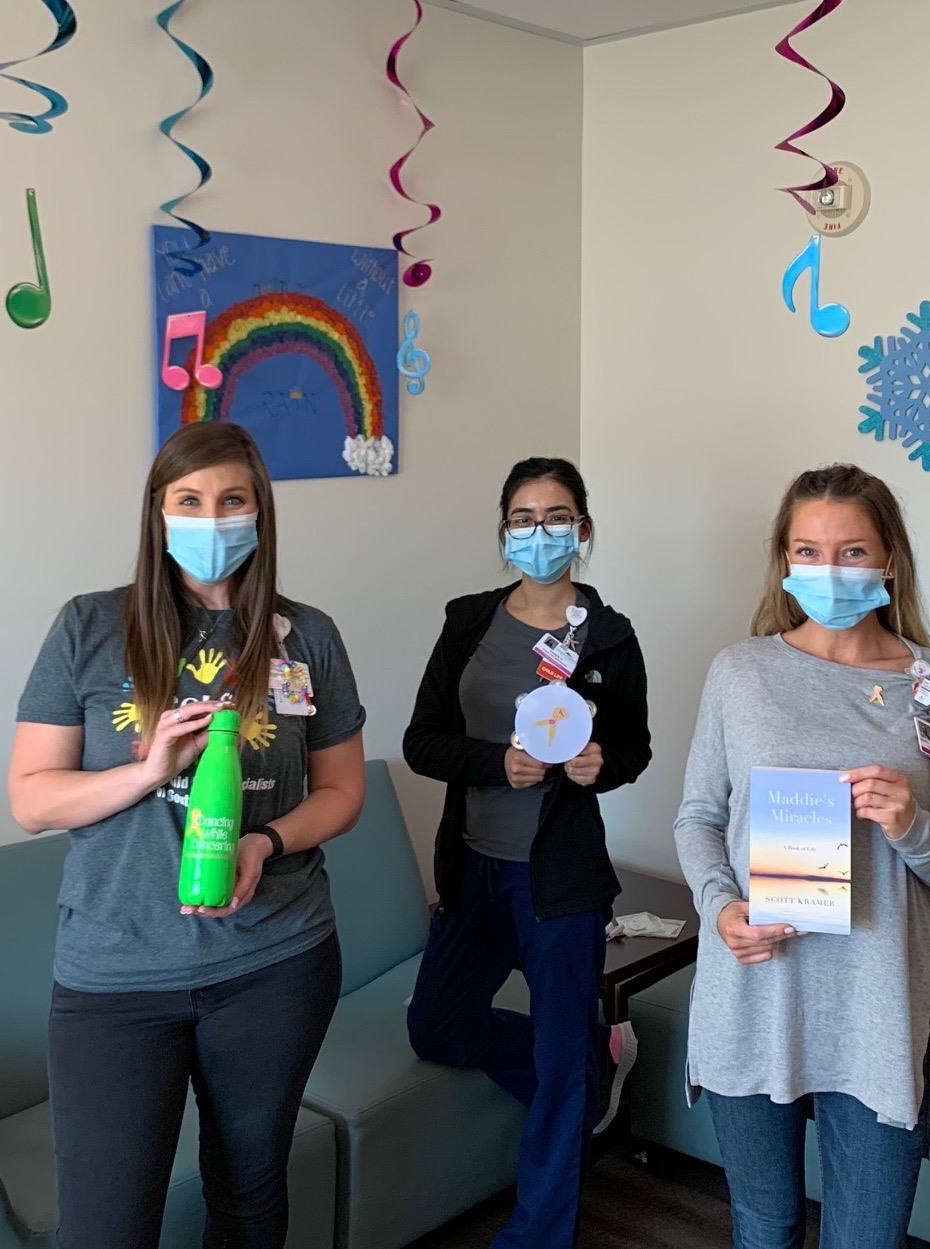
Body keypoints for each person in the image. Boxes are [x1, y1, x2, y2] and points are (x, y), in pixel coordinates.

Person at [9, 422, 366, 1249]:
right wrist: (144, 769)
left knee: (248, 1197)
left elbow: (343, 791)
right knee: (106, 1226)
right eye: (191, 501)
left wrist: (263, 843)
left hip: (276, 960)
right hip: (116, 975)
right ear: (158, 513)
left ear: (260, 512)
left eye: (232, 499)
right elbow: (31, 798)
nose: (213, 519)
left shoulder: (304, 636)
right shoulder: (89, 628)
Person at [674, 463, 930, 1249]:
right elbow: (698, 818)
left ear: (889, 562)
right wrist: (721, 908)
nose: (828, 568)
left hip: (876, 1013)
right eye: (807, 550)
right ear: (784, 559)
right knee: (762, 1225)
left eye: (851, 551)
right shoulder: (740, 672)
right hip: (753, 992)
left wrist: (911, 821)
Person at [404, 457, 652, 1249]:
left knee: (558, 1067)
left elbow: (635, 748)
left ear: (581, 529)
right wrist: (494, 762)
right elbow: (421, 740)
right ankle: (590, 1066)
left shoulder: (609, 638)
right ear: (503, 529)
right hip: (473, 868)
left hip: (560, 884)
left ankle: (537, 1232)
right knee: (437, 1025)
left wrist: (599, 764)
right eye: (522, 516)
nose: (538, 532)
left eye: (555, 516)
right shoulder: (468, 621)